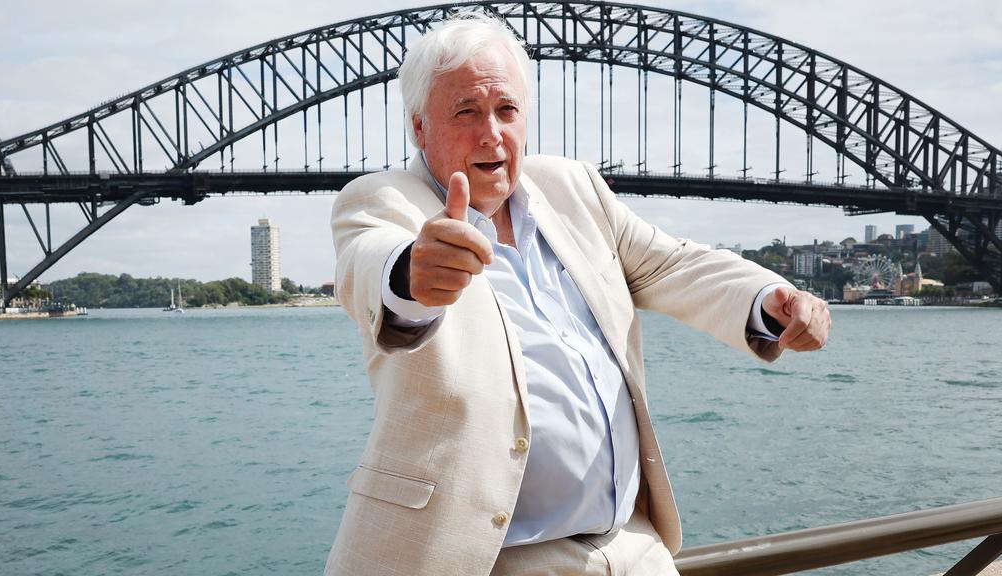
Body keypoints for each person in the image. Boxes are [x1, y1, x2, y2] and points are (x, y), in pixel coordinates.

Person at [325, 13, 830, 576]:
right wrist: (414, 276)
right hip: (495, 560)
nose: (491, 133)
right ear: (420, 128)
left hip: (633, 548)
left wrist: (769, 298)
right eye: (466, 111)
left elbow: (675, 264)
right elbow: (369, 265)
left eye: (507, 110)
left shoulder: (571, 188)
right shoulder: (384, 202)